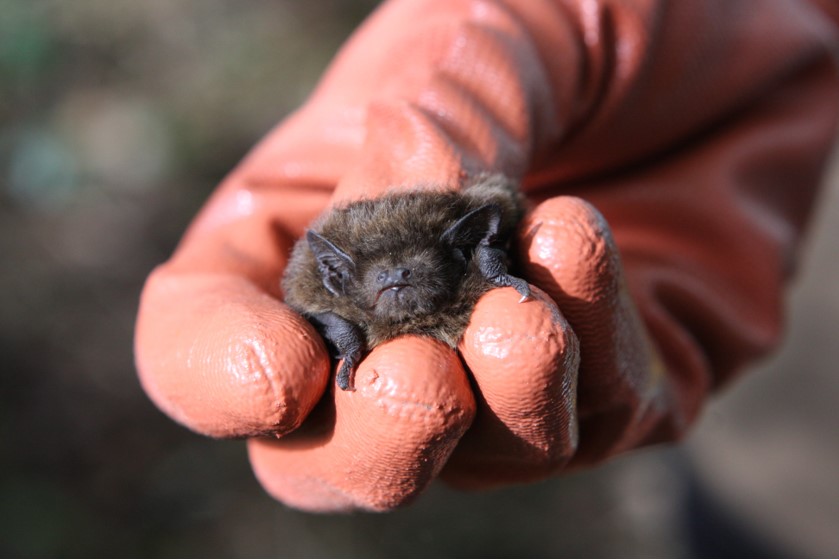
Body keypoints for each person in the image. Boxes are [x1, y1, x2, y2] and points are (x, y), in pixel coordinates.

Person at [134, 0, 839, 512]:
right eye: (378, 271)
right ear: (339, 280)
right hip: (767, 490)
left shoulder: (480, 262)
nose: (397, 277)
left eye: (412, 262)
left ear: (469, 249)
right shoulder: (336, 300)